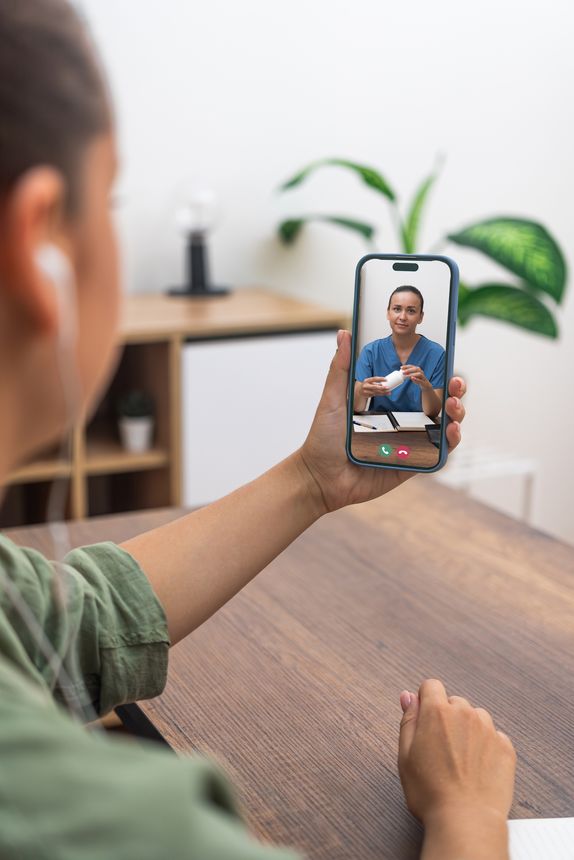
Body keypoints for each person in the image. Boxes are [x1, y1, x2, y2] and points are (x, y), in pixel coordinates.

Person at [0, 2, 515, 859]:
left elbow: (71, 618)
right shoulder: (106, 825)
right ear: (40, 247)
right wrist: (469, 817)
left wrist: (312, 480)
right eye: (112, 199)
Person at [353, 286, 445, 417]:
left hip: (418, 430)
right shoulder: (371, 352)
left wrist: (426, 387)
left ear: (420, 317)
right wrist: (362, 392)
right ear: (388, 313)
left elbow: (433, 412)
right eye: (397, 309)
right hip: (379, 427)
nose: (402, 317)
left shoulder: (436, 354)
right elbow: (357, 407)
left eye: (411, 311)